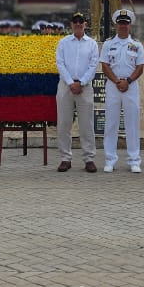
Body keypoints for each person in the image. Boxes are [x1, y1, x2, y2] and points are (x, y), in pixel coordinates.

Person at [100, 8, 144, 173]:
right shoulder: (108, 43)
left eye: (126, 23)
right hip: (113, 86)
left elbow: (140, 67)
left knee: (132, 123)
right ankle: (110, 159)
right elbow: (104, 65)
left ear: (130, 25)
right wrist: (117, 81)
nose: (123, 26)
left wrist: (128, 81)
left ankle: (134, 160)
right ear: (115, 25)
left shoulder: (137, 45)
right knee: (111, 123)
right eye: (120, 23)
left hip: (131, 86)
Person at [54, 11, 100, 173]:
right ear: (71, 24)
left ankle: (89, 159)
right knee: (64, 124)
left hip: (85, 87)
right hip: (65, 86)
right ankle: (65, 158)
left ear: (85, 24)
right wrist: (71, 83)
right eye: (75, 22)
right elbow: (60, 64)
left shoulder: (92, 44)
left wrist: (81, 82)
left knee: (87, 124)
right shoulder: (63, 43)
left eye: (81, 21)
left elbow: (93, 66)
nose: (78, 24)